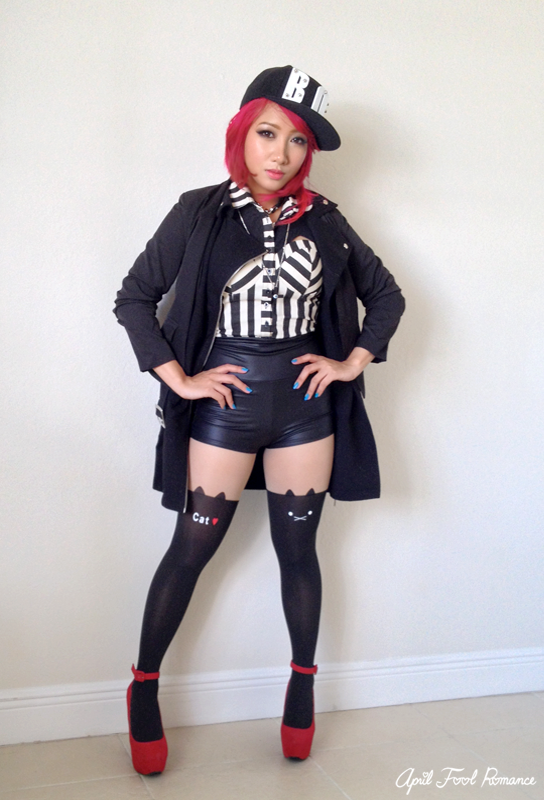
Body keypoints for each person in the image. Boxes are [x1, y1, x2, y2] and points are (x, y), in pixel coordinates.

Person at [114, 65, 405, 775]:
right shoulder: (199, 212)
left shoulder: (326, 219)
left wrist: (351, 361)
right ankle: (144, 685)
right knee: (192, 547)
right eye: (269, 133)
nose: (281, 153)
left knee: (298, 552)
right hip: (227, 405)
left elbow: (386, 295)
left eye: (298, 141)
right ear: (243, 133)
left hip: (305, 409)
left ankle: (302, 685)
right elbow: (134, 298)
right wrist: (180, 378)